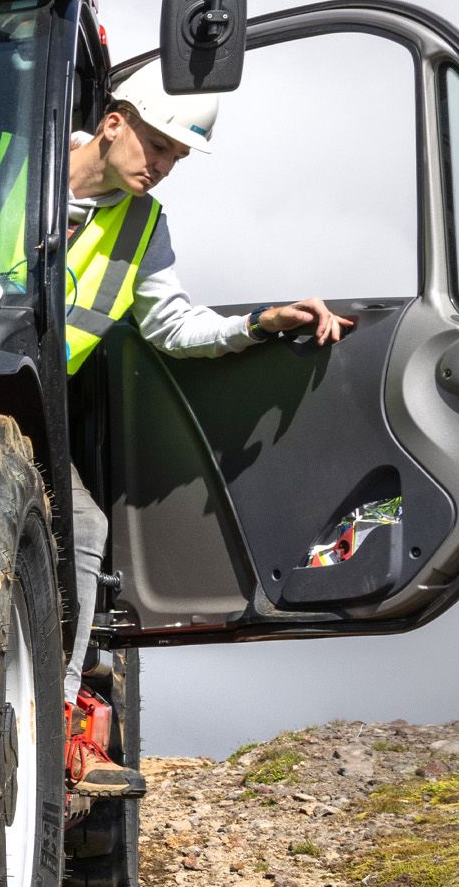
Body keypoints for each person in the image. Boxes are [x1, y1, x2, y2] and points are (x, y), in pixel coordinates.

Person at [57, 68, 350, 791]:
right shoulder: (8, 163)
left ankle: (58, 721)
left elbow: (171, 325)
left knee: (84, 529)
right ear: (115, 122)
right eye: (155, 145)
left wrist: (259, 324)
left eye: (174, 159)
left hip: (23, 410)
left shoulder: (142, 225)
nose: (159, 167)